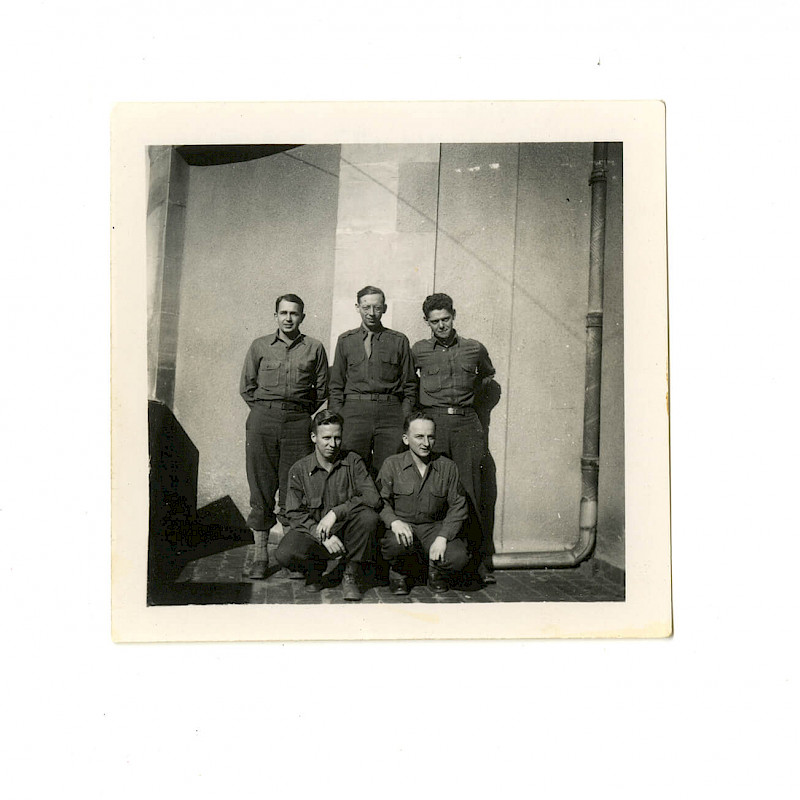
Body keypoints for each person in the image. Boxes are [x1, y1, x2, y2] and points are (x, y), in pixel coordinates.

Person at [239, 294, 329, 580]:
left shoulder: (314, 348)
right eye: (283, 313)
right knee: (261, 487)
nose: (288, 318)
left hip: (298, 423)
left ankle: (291, 555)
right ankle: (260, 556)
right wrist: (267, 411)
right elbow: (247, 387)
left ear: (302, 317)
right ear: (275, 315)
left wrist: (298, 414)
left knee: (294, 489)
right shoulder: (260, 346)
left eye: (294, 313)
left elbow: (322, 390)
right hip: (262, 421)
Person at [411, 293, 497, 583]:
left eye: (445, 319)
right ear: (427, 322)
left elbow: (487, 378)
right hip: (433, 425)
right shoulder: (419, 350)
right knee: (433, 489)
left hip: (466, 424)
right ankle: (433, 560)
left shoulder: (474, 348)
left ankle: (476, 562)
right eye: (435, 321)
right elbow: (409, 384)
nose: (441, 326)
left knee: (471, 491)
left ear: (454, 316)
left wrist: (472, 405)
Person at [276, 411, 381, 600]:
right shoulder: (299, 469)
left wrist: (336, 512)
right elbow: (293, 513)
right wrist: (320, 534)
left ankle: (350, 572)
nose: (332, 444)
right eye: (326, 438)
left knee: (369, 518)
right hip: (316, 535)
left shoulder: (353, 461)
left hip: (348, 533)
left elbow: (373, 498)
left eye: (337, 438)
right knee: (285, 553)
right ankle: (315, 568)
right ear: (313, 437)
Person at [328, 285, 417, 477]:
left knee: (389, 469)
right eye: (366, 307)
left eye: (377, 308)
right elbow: (335, 385)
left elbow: (410, 384)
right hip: (354, 413)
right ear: (357, 307)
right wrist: (339, 415)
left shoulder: (399, 340)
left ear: (384, 308)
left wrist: (404, 416)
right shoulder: (345, 340)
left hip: (390, 413)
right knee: (351, 467)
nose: (371, 313)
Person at [377, 412, 469, 595]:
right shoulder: (392, 464)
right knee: (395, 545)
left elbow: (458, 506)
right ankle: (399, 572)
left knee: (458, 557)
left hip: (433, 529)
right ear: (406, 439)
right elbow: (380, 501)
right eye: (419, 437)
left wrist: (443, 537)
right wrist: (394, 522)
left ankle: (435, 571)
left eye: (430, 437)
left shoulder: (447, 467)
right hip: (404, 527)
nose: (426, 443)